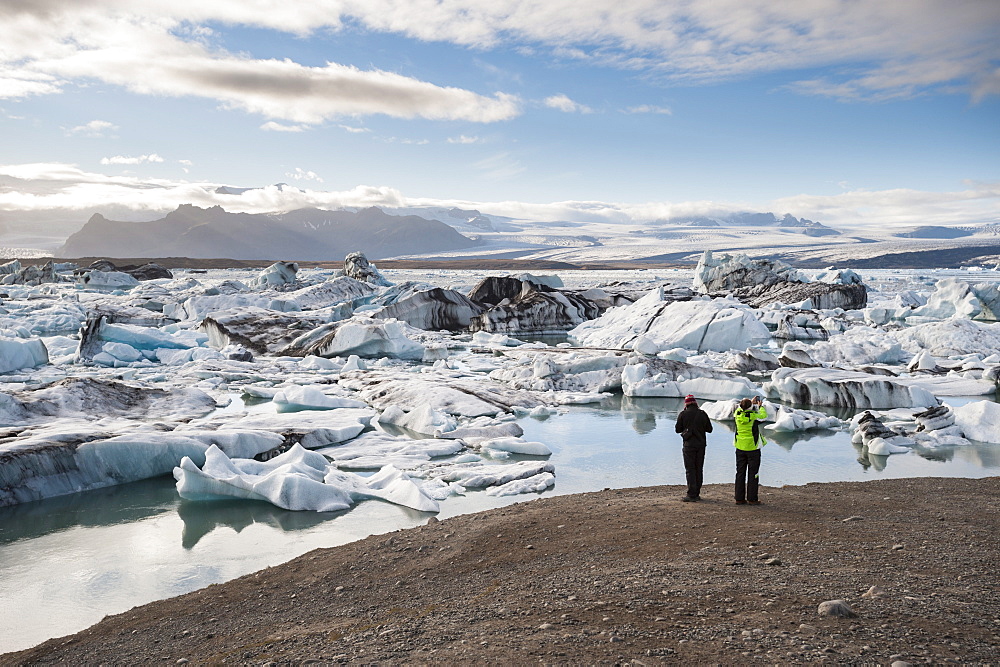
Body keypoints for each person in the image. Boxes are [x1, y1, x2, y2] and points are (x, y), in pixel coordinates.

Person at [674, 394, 713, 502]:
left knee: (690, 469)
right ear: (695, 403)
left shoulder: (683, 414)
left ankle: (691, 494)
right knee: (699, 469)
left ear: (686, 403)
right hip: (701, 445)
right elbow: (709, 429)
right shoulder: (702, 414)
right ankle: (697, 493)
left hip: (688, 445)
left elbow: (677, 429)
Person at [733, 396, 767, 505]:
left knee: (740, 472)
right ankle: (752, 499)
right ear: (750, 407)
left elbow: (740, 409)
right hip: (752, 448)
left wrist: (749, 404)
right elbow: (763, 417)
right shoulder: (753, 416)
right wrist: (760, 406)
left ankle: (739, 498)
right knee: (753, 473)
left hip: (740, 447)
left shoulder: (737, 414)